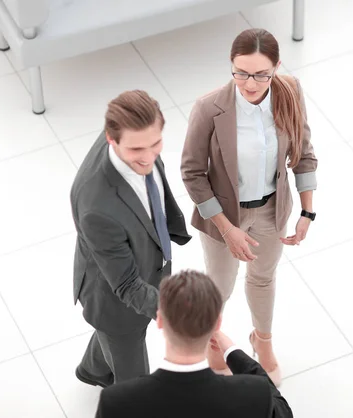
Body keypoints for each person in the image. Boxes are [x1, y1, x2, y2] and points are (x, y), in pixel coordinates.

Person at [181, 28, 318, 385]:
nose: (250, 83)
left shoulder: (290, 92)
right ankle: (214, 341)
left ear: (276, 68)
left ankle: (263, 340)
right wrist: (228, 230)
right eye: (240, 72)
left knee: (263, 278)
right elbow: (192, 173)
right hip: (223, 216)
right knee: (220, 287)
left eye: (260, 74)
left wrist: (307, 211)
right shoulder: (209, 108)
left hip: (272, 211)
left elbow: (303, 154)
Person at [71, 90, 191, 386]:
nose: (149, 157)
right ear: (111, 139)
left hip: (144, 264)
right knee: (135, 390)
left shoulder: (134, 130)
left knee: (113, 338)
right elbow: (126, 285)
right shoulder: (97, 207)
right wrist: (177, 315)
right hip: (116, 302)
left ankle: (94, 369)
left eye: (156, 144)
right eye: (138, 150)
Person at [94, 269, 293, 418]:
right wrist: (232, 352)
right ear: (217, 324)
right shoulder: (254, 393)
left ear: (160, 320)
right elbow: (283, 411)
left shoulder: (116, 402)